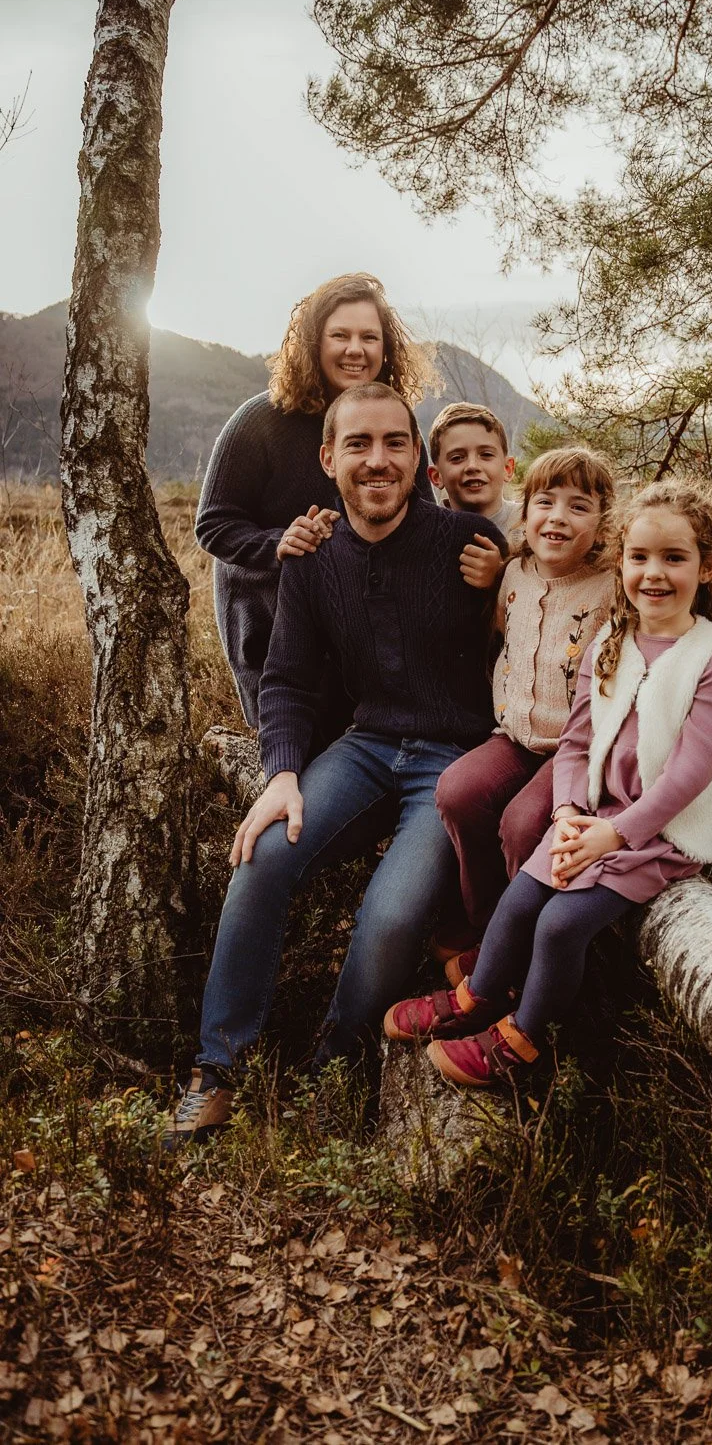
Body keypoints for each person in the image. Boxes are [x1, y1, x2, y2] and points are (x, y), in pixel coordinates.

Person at [163, 384, 507, 1148]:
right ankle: (218, 1072)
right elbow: (284, 679)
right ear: (329, 458)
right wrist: (282, 773)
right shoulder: (315, 559)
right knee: (260, 858)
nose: (377, 460)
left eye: (394, 443)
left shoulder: (468, 544)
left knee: (389, 917)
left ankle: (334, 1069)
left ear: (417, 458)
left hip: (449, 764)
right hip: (366, 747)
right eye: (358, 445)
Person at [384, 478, 712, 1088]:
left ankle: (524, 1040)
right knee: (522, 898)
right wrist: (566, 815)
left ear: (706, 567)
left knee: (559, 925)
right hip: (592, 814)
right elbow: (577, 743)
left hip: (659, 833)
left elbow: (691, 771)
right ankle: (475, 998)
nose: (653, 574)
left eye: (674, 558)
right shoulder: (612, 640)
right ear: (621, 563)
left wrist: (614, 835)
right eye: (639, 558)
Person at [195, 273, 436, 731]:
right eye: (339, 335)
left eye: (370, 337)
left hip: (360, 628)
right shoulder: (260, 420)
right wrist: (278, 544)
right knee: (303, 754)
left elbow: (423, 517)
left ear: (386, 349)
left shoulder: (391, 420)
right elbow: (214, 524)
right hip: (271, 626)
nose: (355, 349)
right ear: (312, 343)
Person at [431, 446, 617, 980]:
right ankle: (488, 926)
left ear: (602, 523)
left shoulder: (609, 587)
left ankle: (525, 953)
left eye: (578, 507)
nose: (557, 516)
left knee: (522, 825)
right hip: (513, 736)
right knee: (458, 791)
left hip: (572, 750)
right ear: (526, 511)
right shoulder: (512, 575)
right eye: (545, 502)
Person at [427, 402, 524, 583]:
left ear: (508, 469)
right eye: (457, 458)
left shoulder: (532, 525)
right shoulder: (426, 536)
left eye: (486, 455)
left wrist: (499, 576)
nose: (472, 466)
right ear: (436, 476)